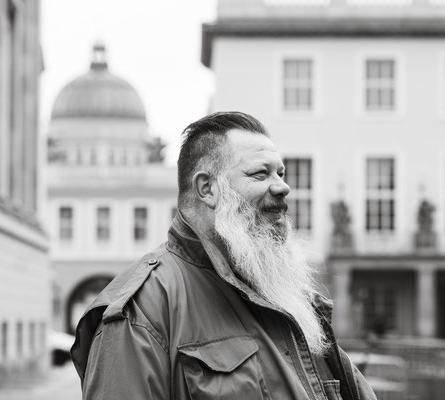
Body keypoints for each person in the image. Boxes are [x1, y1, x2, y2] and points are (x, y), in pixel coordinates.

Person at [70, 112, 376, 400]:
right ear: (207, 188)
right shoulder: (143, 311)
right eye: (261, 174)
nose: (284, 187)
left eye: (281, 173)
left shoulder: (287, 297)